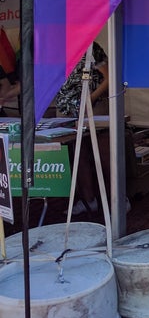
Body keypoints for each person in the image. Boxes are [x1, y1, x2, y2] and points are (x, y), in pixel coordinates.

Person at [55, 41, 110, 216]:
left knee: (103, 155)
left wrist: (89, 100)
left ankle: (116, 199)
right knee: (78, 156)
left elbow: (109, 77)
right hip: (66, 110)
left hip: (93, 107)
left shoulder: (89, 46)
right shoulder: (50, 49)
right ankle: (89, 200)